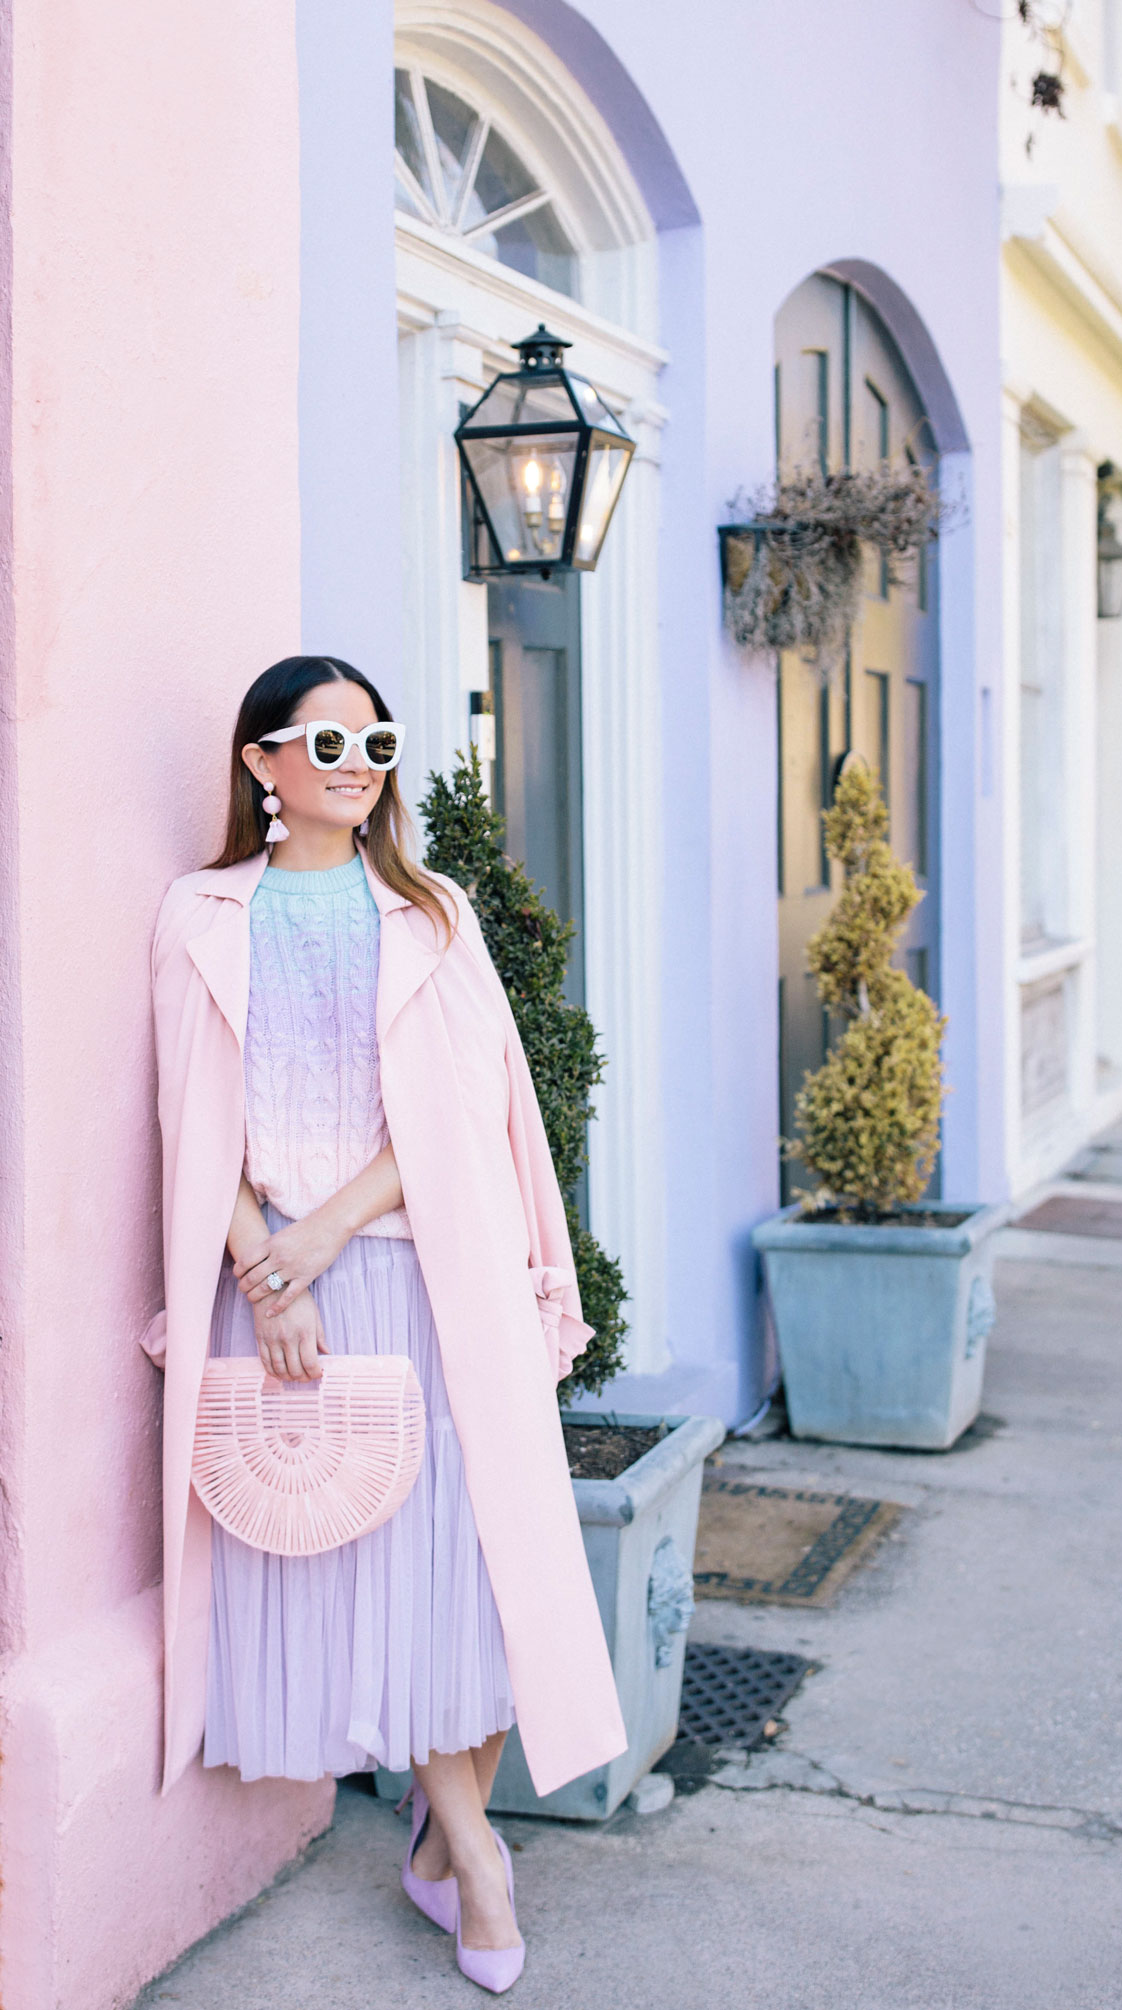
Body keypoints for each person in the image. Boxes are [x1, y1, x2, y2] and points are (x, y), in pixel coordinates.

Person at [143, 655, 626, 1995]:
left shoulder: (431, 910)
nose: (360, 765)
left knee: (468, 1570)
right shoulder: (198, 916)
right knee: (358, 1574)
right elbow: (193, 1128)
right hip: (277, 1299)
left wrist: (322, 1234)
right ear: (263, 765)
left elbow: (460, 1118)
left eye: (378, 743)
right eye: (330, 742)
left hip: (423, 1275)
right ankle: (467, 1852)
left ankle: (458, 1842)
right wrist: (267, 1273)